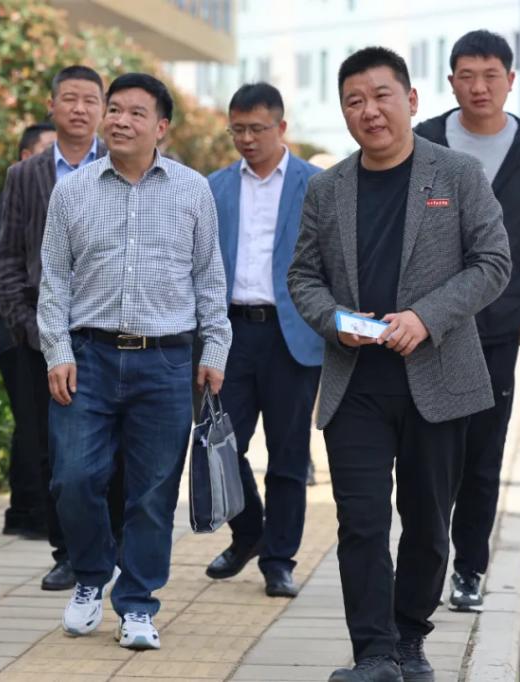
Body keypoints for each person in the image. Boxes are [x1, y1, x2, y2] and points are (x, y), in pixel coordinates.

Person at [288, 47, 511, 682]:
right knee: (360, 522)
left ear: (410, 100)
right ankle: (374, 654)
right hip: (355, 382)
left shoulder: (458, 174)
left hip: (437, 380)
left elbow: (493, 262)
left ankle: (410, 639)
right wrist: (333, 319)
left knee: (427, 524)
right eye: (354, 101)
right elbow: (302, 275)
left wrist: (426, 317)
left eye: (381, 95)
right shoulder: (327, 188)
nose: (370, 111)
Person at [38, 72, 231, 650]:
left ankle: (139, 603)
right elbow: (54, 283)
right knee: (73, 479)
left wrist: (215, 349)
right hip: (88, 358)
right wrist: (57, 351)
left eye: (135, 113)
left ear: (161, 127)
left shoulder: (193, 190)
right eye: (114, 109)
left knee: (152, 491)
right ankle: (91, 576)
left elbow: (209, 279)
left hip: (166, 362)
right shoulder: (72, 190)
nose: (120, 121)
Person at [413, 29, 520, 612]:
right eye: (467, 76)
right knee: (427, 456)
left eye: (490, 76)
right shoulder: (424, 141)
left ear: (510, 80)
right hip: (424, 328)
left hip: (496, 332)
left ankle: (469, 569)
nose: (478, 87)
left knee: (482, 457)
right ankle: (422, 569)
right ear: (450, 80)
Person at [0, 66, 124, 591]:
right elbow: (8, 262)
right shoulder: (24, 176)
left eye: (91, 100)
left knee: (111, 448)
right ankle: (67, 552)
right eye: (69, 98)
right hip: (38, 339)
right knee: (51, 451)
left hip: (105, 332)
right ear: (52, 106)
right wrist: (33, 331)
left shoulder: (121, 164)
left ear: (103, 109)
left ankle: (111, 545)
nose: (80, 109)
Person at [204, 82, 323, 597]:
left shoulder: (316, 185)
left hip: (291, 335)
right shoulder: (214, 187)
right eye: (238, 130)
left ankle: (279, 560)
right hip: (229, 334)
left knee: (288, 455)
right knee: (219, 447)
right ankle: (249, 531)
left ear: (281, 127)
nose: (247, 139)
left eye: (257, 129)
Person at [0, 121, 55, 541]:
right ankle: (32, 512)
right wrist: (26, 326)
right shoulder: (19, 191)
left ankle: (26, 510)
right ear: (26, 157)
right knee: (32, 424)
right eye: (48, 150)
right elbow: (8, 266)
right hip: (19, 330)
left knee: (32, 424)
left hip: (44, 331)